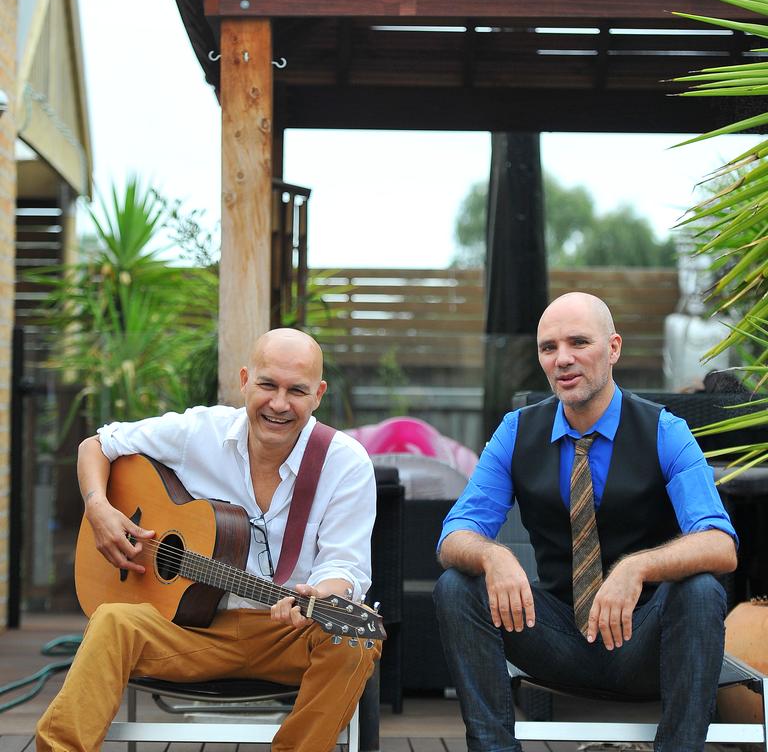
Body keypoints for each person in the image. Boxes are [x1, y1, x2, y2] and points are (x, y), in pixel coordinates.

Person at [37, 327, 380, 752]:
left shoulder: (344, 463)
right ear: (244, 381)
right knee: (112, 620)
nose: (278, 403)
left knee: (354, 636)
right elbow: (97, 445)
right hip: (190, 630)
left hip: (287, 634)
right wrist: (99, 507)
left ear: (319, 394)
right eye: (267, 384)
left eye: (297, 390)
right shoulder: (199, 432)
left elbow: (344, 567)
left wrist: (321, 594)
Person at [434, 291, 737, 752]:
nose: (563, 359)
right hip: (556, 640)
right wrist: (491, 555)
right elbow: (453, 536)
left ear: (613, 348)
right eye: (548, 347)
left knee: (700, 590)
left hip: (649, 645)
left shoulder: (665, 431)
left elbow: (720, 545)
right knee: (459, 586)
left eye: (579, 342)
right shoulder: (516, 431)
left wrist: (637, 569)